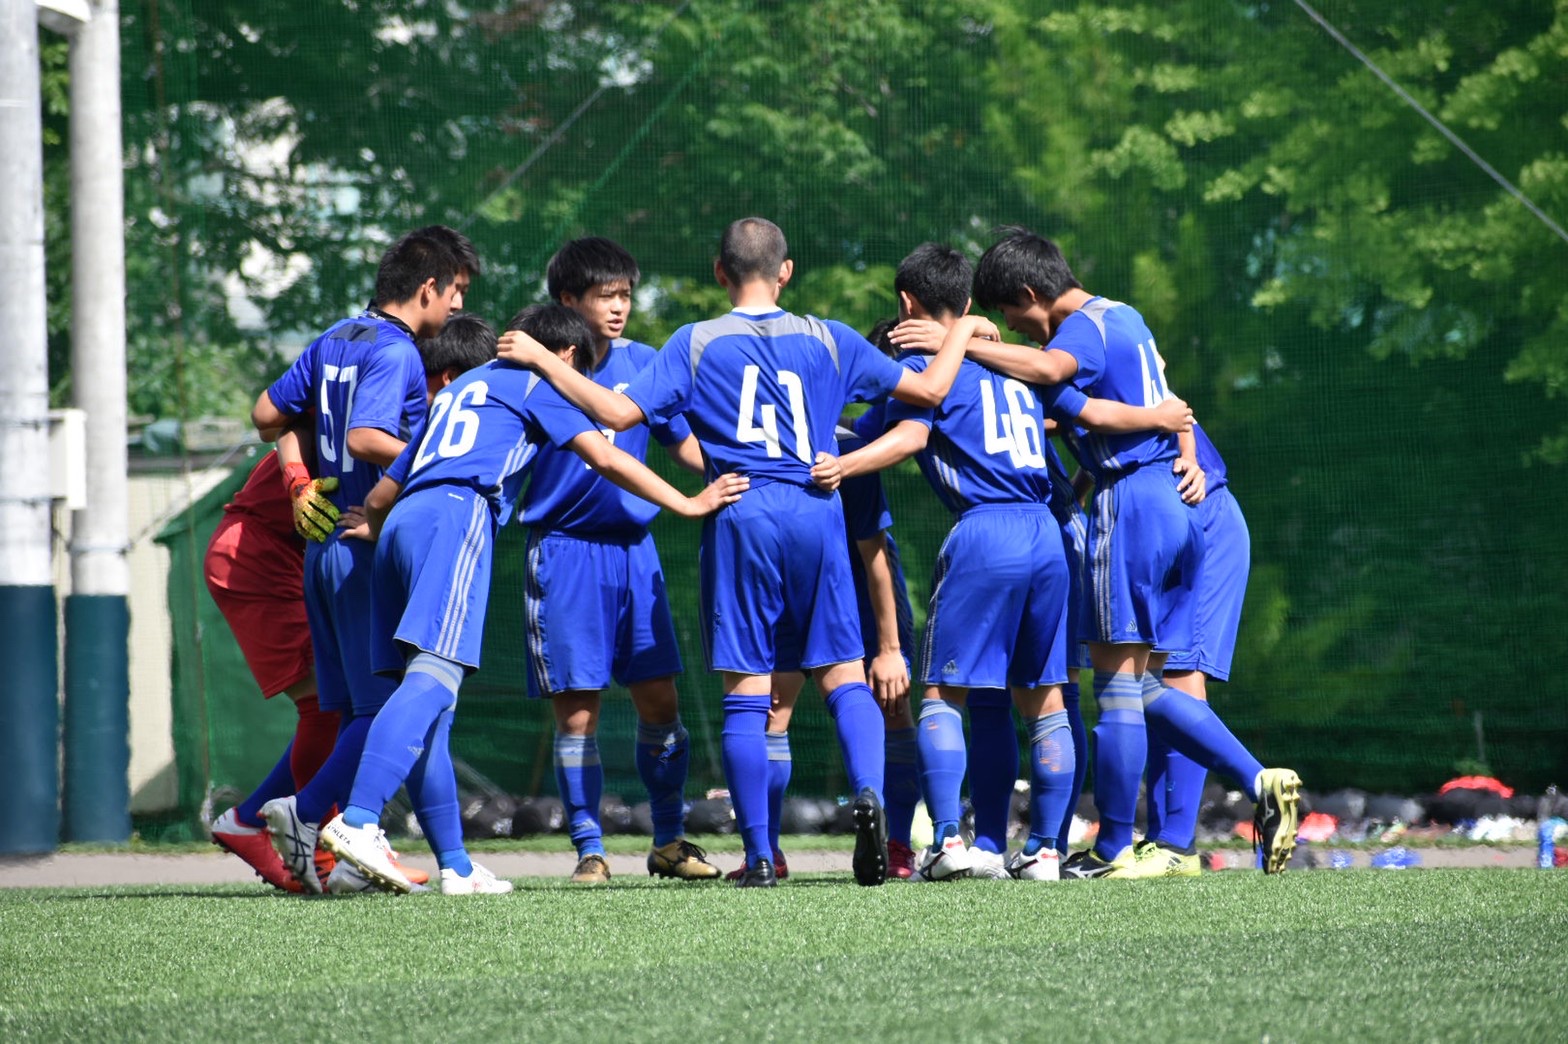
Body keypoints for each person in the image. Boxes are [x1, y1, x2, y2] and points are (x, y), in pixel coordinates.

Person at [497, 217, 971, 887]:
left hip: (743, 509)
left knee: (748, 694)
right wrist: (960, 331)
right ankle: (868, 791)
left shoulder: (694, 343)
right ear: (786, 272)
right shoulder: (829, 338)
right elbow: (928, 392)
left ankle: (757, 855)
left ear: (720, 273)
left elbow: (619, 415)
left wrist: (543, 357)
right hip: (816, 505)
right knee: (843, 671)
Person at [318, 307, 747, 894]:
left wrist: (380, 526)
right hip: (457, 515)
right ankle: (361, 820)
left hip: (400, 523)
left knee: (428, 710)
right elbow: (607, 455)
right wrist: (690, 503)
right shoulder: (535, 383)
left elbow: (387, 487)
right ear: (566, 356)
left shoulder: (460, 388)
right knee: (436, 679)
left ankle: (456, 866)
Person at [832, 243, 1192, 882]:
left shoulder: (924, 367)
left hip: (986, 529)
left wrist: (831, 454)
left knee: (943, 690)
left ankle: (945, 842)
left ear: (908, 306)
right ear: (968, 304)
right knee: (1048, 697)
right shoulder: (1019, 369)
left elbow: (896, 432)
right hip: (1050, 534)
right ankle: (1047, 850)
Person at [963, 227, 1301, 876]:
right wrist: (1178, 448)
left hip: (1138, 501)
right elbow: (1155, 405)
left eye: (1014, 317)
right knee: (1154, 684)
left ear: (1033, 294)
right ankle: (1182, 835)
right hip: (1175, 504)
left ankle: (1122, 843)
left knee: (1120, 687)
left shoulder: (1078, 331)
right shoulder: (1125, 316)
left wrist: (966, 347)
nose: (1022, 334)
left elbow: (1057, 374)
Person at [249, 225, 478, 893]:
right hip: (359, 545)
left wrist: (296, 477)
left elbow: (267, 413)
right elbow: (366, 436)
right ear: (428, 287)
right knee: (384, 711)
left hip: (320, 546)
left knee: (359, 711)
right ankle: (309, 813)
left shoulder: (336, 338)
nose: (457, 307)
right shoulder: (399, 351)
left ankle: (362, 840)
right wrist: (437, 451)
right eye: (456, 292)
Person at [526, 238, 717, 885]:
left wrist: (747, 477)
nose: (619, 308)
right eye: (606, 295)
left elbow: (687, 448)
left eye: (625, 295)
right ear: (567, 301)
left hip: (636, 555)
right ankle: (588, 848)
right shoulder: (540, 369)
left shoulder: (647, 363)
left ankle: (668, 841)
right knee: (578, 712)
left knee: (660, 700)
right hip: (565, 553)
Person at [732, 319, 920, 882]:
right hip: (857, 589)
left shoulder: (757, 446)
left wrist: (888, 646)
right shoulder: (851, 446)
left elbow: (874, 553)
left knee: (771, 713)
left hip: (797, 584)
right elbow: (876, 553)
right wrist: (886, 647)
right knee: (885, 709)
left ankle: (765, 852)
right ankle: (896, 843)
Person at [204, 432, 342, 893]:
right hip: (257, 554)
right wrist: (299, 482)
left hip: (283, 553)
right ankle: (324, 854)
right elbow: (273, 416)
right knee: (324, 705)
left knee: (340, 705)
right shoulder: (362, 396)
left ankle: (249, 821)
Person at [1135, 422, 1251, 876]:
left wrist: (1189, 455)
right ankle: (1160, 840)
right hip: (1164, 524)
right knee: (1150, 683)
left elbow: (1173, 406)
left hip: (1201, 518)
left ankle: (1178, 844)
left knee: (1180, 680)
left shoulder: (1089, 349)